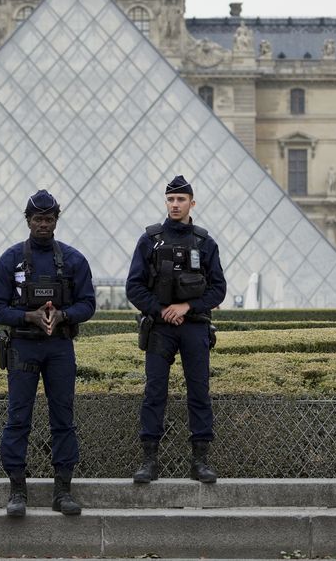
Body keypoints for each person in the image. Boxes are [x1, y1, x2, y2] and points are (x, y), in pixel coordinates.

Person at [0, 189, 96, 517]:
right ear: (28, 220)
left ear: (56, 221)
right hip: (22, 345)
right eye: (38, 219)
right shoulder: (10, 260)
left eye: (49, 220)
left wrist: (62, 315)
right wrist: (28, 316)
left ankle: (62, 491)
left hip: (60, 346)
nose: (43, 225)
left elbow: (88, 304)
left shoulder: (75, 260)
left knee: (63, 418)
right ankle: (17, 490)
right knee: (18, 418)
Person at [126, 175, 226, 484]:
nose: (175, 204)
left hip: (194, 327)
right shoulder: (150, 240)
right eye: (170, 199)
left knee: (199, 393)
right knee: (154, 392)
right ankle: (149, 461)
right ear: (165, 202)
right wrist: (161, 311)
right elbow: (134, 287)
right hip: (160, 329)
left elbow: (218, 290)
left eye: (181, 199)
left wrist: (186, 307)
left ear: (192, 203)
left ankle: (200, 462)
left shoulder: (205, 242)